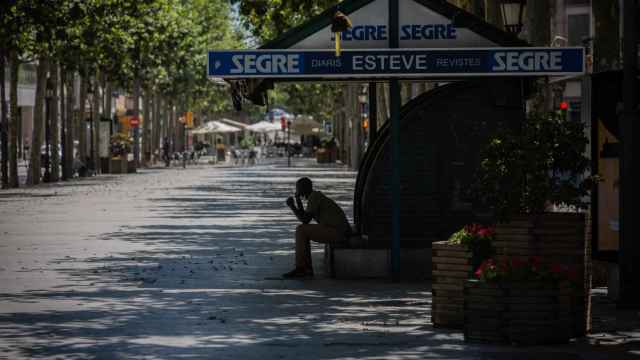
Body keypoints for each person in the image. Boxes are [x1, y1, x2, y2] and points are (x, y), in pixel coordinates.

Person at [283, 177, 351, 278]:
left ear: (305, 188)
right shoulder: (314, 196)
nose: (297, 191)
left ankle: (302, 268)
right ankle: (305, 268)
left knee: (301, 230)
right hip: (336, 230)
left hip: (338, 232)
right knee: (302, 229)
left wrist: (292, 206)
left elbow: (305, 220)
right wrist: (298, 200)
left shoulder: (315, 197)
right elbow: (305, 217)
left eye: (298, 188)